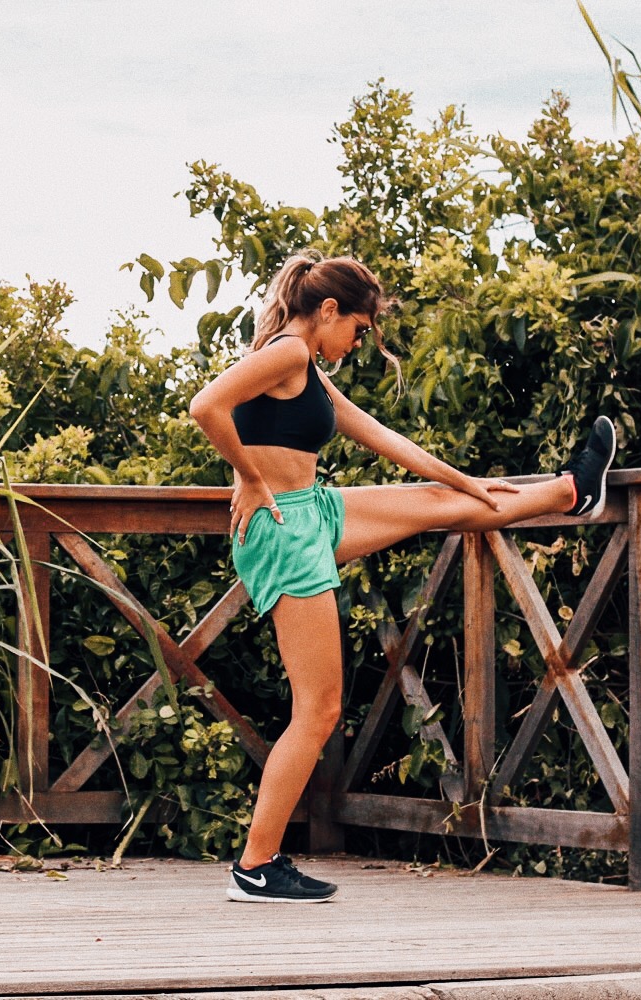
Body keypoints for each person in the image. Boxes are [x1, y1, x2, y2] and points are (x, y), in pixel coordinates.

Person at [188, 250, 616, 903]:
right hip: (284, 533)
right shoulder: (287, 355)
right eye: (358, 329)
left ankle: (572, 491)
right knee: (320, 708)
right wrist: (247, 477)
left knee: (440, 504)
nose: (358, 343)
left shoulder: (307, 367)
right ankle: (255, 865)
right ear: (327, 311)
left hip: (312, 515)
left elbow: (383, 438)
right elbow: (205, 406)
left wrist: (461, 478)